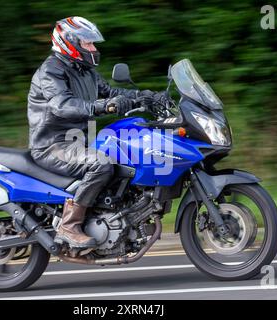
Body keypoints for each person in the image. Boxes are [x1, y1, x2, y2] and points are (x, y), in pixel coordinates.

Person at [27, 16, 168, 249]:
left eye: (93, 44)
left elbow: (110, 92)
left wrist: (148, 97)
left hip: (77, 143)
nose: (94, 48)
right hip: (53, 146)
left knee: (123, 156)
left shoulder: (85, 71)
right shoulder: (50, 71)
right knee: (100, 164)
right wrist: (100, 106)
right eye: (89, 44)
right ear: (70, 42)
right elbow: (61, 105)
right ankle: (69, 225)